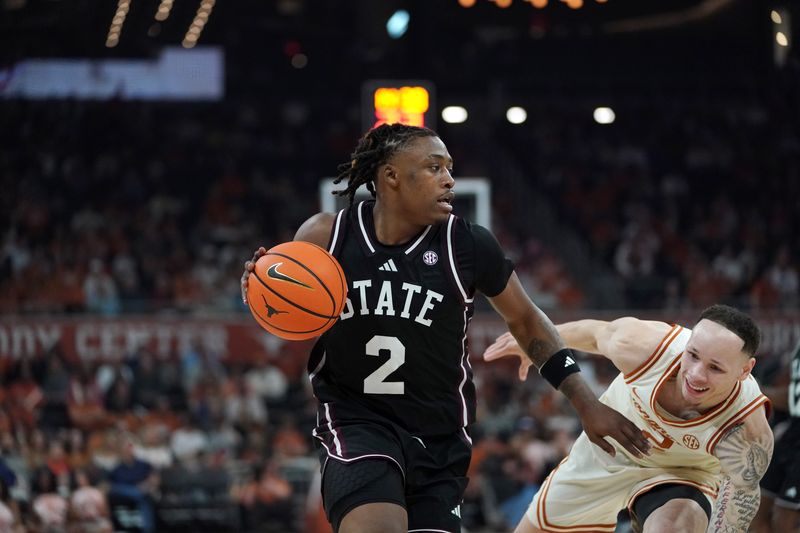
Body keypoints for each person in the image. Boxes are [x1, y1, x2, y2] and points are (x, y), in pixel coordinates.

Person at [241, 123, 650, 533]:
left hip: (439, 438)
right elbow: (287, 312)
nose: (449, 179)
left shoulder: (467, 245)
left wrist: (586, 403)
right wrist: (262, 291)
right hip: (357, 423)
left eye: (449, 168)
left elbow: (526, 319)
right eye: (434, 167)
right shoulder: (325, 236)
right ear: (391, 176)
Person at [483, 304, 774, 533]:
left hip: (685, 474)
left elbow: (740, 505)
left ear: (745, 370)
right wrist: (535, 343)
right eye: (693, 355)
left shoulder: (748, 428)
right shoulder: (646, 346)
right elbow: (594, 333)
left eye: (715, 368)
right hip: (606, 453)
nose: (696, 374)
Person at [753, 338, 800, 532]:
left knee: (784, 521)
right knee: (756, 511)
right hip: (791, 434)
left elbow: (793, 400)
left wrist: (756, 391)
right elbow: (791, 386)